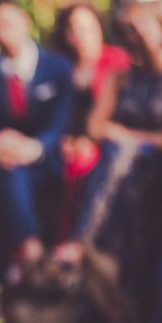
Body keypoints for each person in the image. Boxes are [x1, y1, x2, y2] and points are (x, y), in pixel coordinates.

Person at [71, 0, 162, 323]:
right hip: (126, 175)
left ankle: (87, 241)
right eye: (128, 30)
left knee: (122, 156)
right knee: (117, 157)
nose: (135, 35)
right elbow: (96, 126)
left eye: (141, 27)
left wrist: (134, 138)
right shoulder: (121, 76)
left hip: (151, 170)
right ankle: (93, 247)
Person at [0, 0, 73, 285]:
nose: (4, 34)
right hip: (0, 162)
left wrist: (32, 148)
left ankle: (3, 277)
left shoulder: (58, 68)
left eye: (9, 24)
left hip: (45, 164)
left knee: (9, 180)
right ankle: (30, 249)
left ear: (25, 21)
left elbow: (60, 124)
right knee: (7, 173)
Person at [50, 1, 130, 252]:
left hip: (103, 143)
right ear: (66, 35)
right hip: (64, 145)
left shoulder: (117, 63)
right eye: (74, 30)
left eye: (87, 28)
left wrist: (91, 141)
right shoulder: (61, 68)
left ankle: (74, 246)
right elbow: (53, 116)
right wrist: (63, 141)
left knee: (82, 167)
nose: (81, 36)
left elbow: (125, 114)